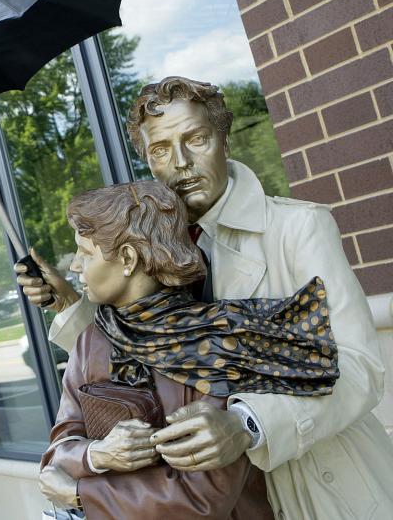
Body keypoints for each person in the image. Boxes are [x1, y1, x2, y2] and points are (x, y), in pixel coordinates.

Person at [19, 77, 393, 519]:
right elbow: (151, 353)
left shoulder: (296, 230)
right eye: (160, 150)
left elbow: (358, 367)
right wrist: (70, 306)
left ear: (223, 139)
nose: (180, 162)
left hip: (314, 481)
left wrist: (247, 424)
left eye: (195, 139)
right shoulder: (150, 243)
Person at [42, 180, 341, 518]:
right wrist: (97, 455)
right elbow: (57, 454)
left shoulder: (214, 343)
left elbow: (204, 499)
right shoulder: (92, 340)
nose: (75, 266)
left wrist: (83, 494)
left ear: (127, 259)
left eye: (86, 253)